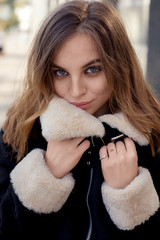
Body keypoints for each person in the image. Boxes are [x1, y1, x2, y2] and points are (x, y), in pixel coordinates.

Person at [0, 0, 160, 239]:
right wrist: (45, 178)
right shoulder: (21, 129)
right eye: (60, 72)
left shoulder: (151, 134)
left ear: (119, 66)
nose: (76, 91)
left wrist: (129, 196)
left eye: (92, 69)